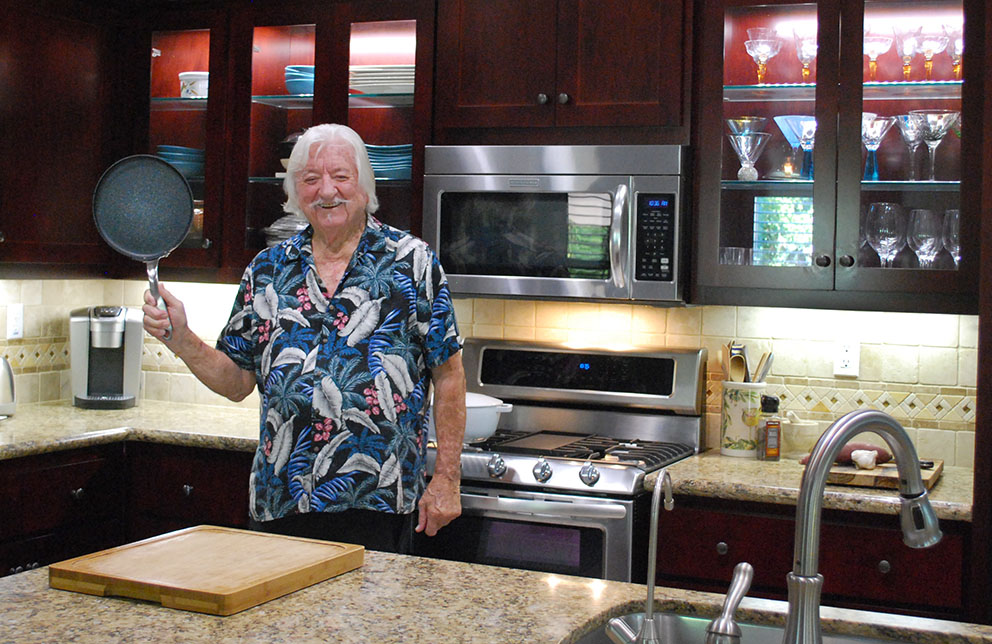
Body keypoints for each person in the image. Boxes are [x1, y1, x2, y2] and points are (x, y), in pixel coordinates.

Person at [142, 123, 466, 553]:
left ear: (364, 187)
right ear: (295, 192)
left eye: (340, 176)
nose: (326, 190)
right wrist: (182, 339)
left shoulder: (413, 263)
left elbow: (449, 375)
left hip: (378, 503)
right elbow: (237, 382)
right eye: (311, 179)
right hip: (283, 501)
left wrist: (446, 476)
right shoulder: (267, 269)